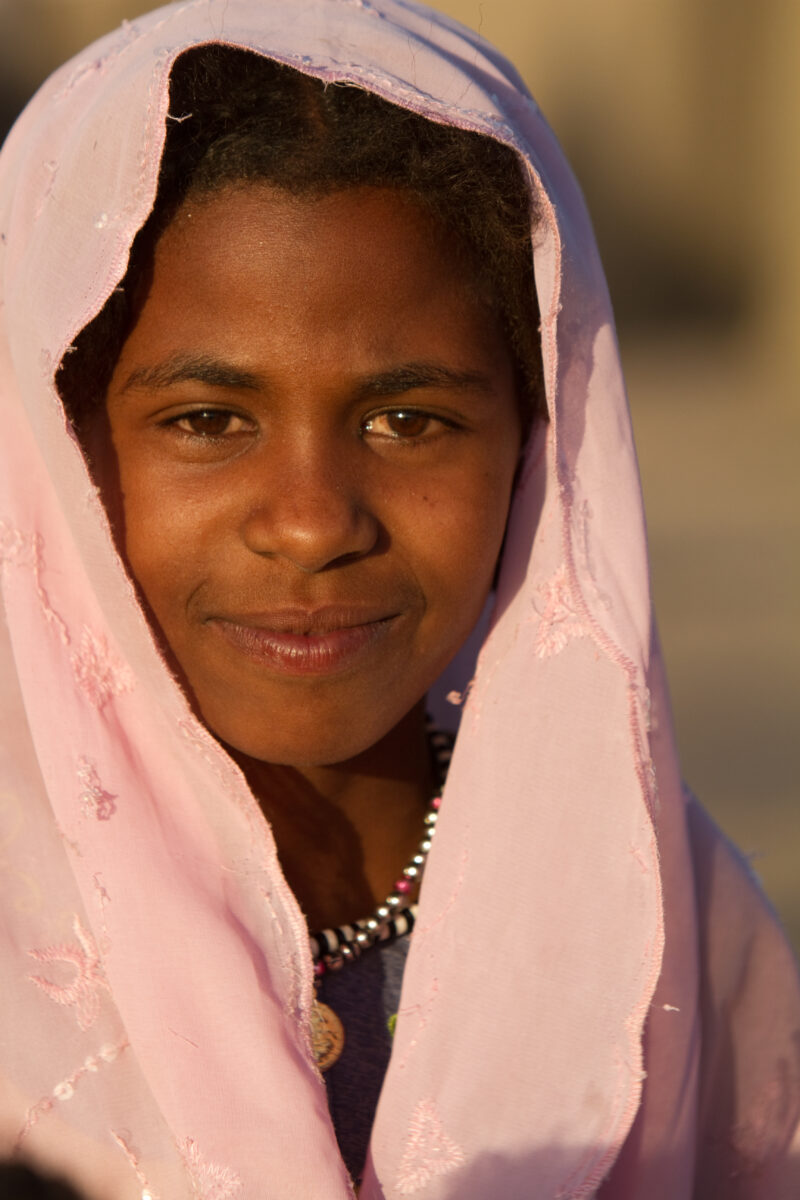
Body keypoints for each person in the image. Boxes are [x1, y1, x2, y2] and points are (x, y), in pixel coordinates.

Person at [0, 2, 797, 1197]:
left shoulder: (657, 919)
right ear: (53, 460)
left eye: (407, 420)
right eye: (207, 422)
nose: (314, 522)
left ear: (535, 450)